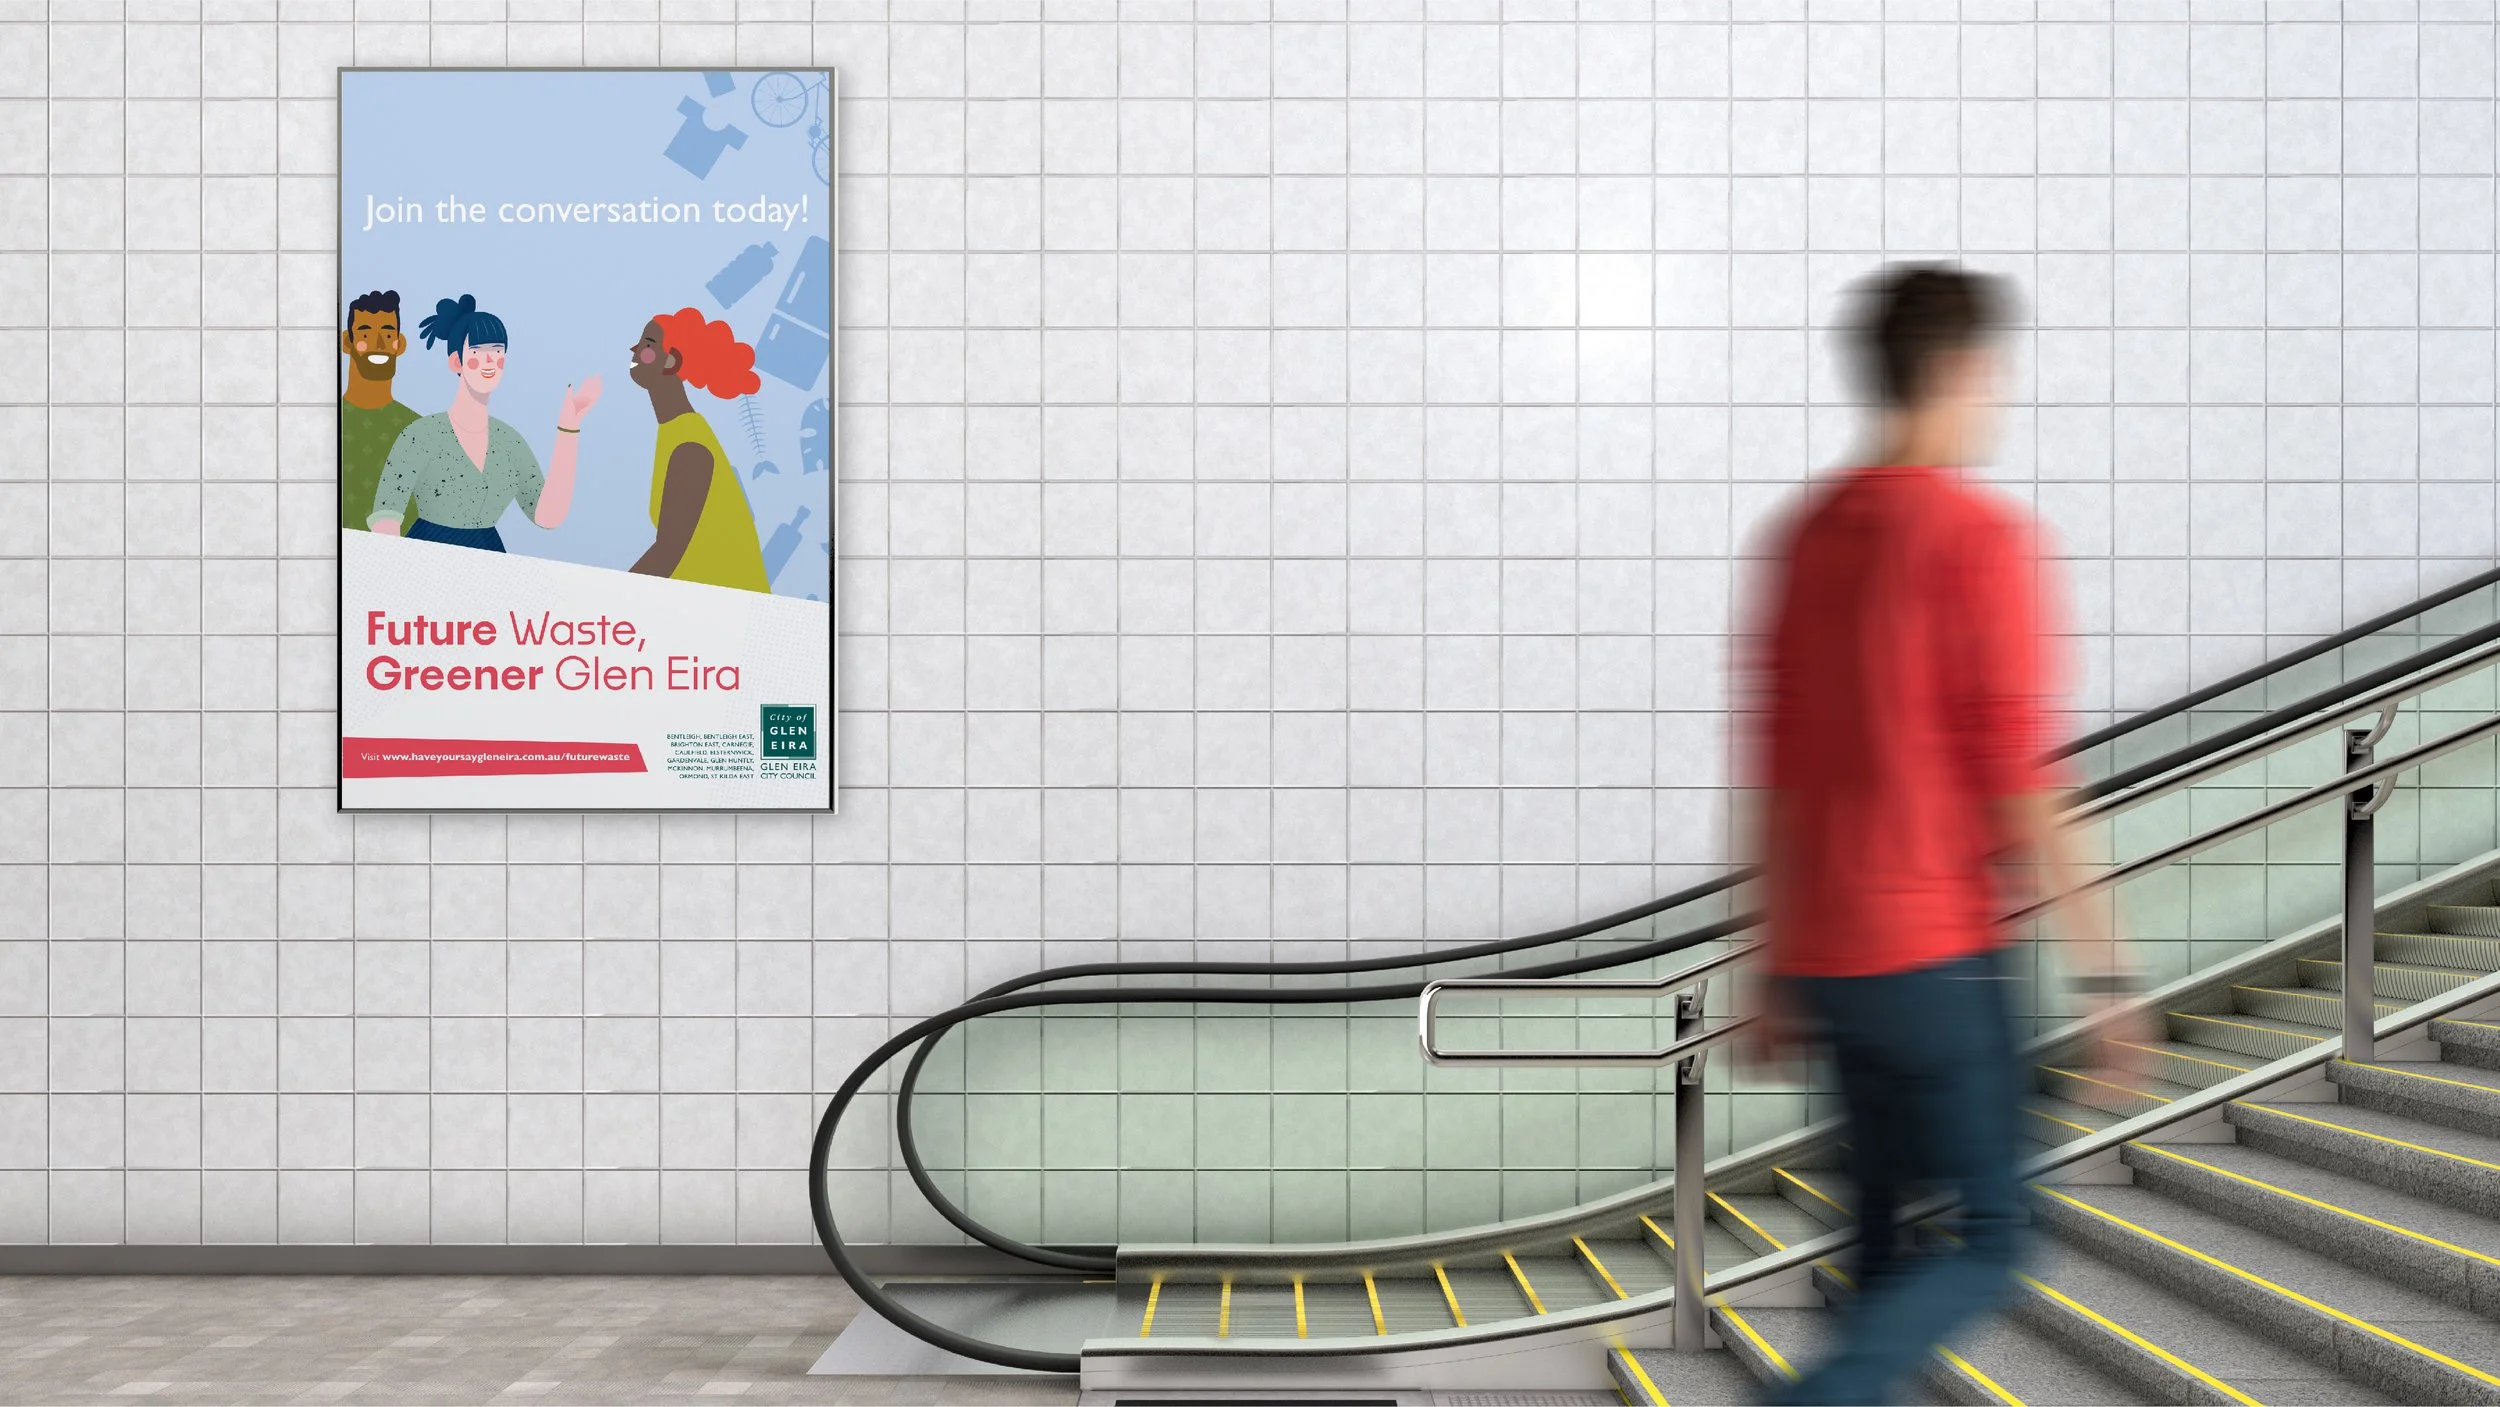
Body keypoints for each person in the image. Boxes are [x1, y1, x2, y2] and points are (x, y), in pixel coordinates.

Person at [1743, 264, 2144, 1405]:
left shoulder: (1807, 535)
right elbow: (2020, 778)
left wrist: (1771, 963)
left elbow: (1771, 765)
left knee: (1876, 1253)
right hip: (1936, 954)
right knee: (1990, 1237)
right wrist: (2106, 973)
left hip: (1828, 963)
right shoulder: (1978, 537)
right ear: (1965, 369)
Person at [368, 293, 602, 551]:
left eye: (497, 351)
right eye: (478, 351)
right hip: (427, 558)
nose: (490, 361)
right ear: (456, 361)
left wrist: (569, 427)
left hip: (488, 563)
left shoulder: (509, 442)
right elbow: (386, 515)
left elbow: (547, 516)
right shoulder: (421, 435)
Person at [625, 308, 772, 593]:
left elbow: (667, 554)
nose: (634, 348)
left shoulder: (689, 448)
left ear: (670, 361)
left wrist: (605, 597)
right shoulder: (675, 432)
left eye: (647, 344)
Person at [338, 289, 418, 532]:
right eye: (365, 333)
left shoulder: (416, 430)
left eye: (387, 333)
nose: (379, 345)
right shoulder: (324, 424)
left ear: (399, 344)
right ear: (347, 342)